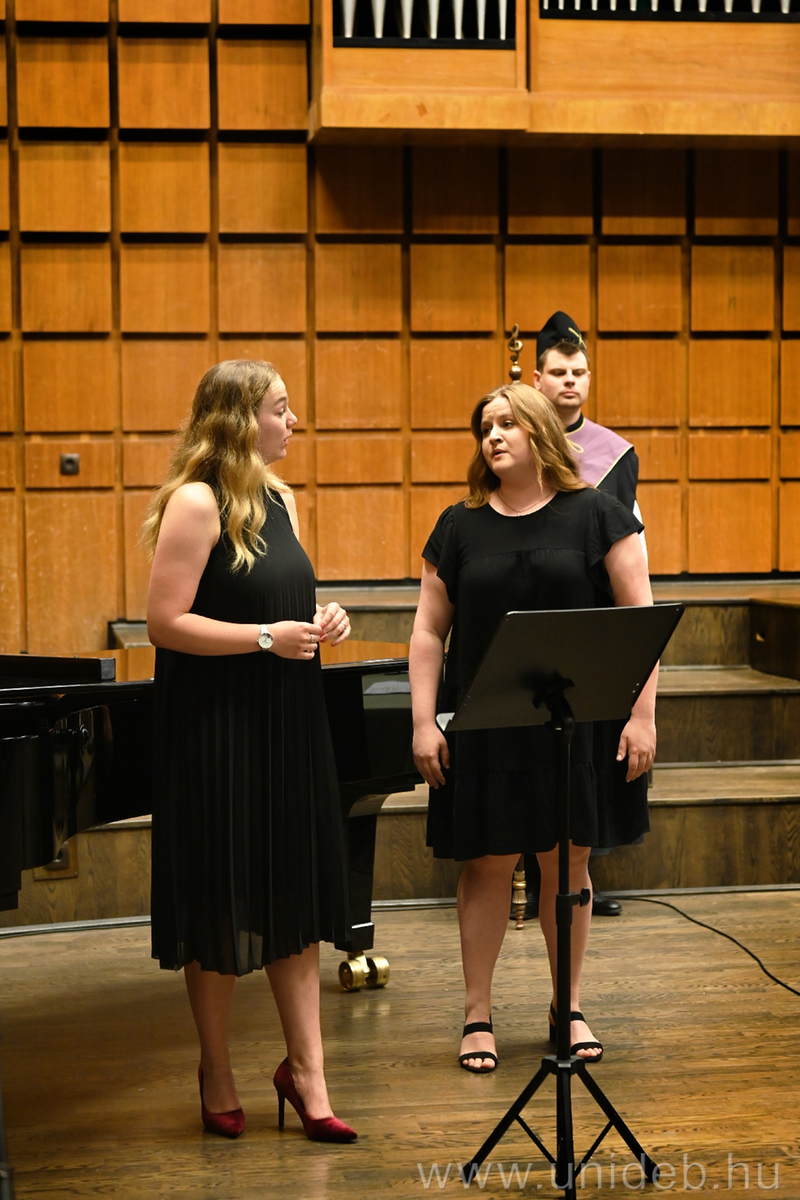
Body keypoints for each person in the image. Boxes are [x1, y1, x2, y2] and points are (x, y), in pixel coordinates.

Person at [409, 382, 657, 1073]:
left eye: (508, 423)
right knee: (486, 863)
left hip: (576, 724)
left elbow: (641, 622)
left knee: (567, 860)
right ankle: (477, 1014)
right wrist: (423, 721)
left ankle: (567, 1007)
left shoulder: (599, 515)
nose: (492, 435)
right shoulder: (457, 526)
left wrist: (642, 716)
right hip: (485, 725)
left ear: (541, 431)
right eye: (485, 425)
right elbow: (428, 631)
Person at [143, 359, 357, 1143]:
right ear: (240, 419)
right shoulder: (196, 502)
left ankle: (308, 1075)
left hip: (287, 722)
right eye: (280, 408)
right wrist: (267, 637)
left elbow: (281, 597)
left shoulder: (281, 498)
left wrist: (324, 617)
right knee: (221, 895)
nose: (293, 421)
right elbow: (165, 622)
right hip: (217, 730)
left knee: (292, 895)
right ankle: (217, 1069)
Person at [531, 311, 646, 918]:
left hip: (596, 612)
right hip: (532, 613)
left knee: (589, 752)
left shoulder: (617, 455)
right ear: (538, 378)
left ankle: (579, 875)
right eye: (558, 372)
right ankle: (530, 873)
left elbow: (629, 535)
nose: (570, 381)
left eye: (578, 372)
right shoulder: (515, 438)